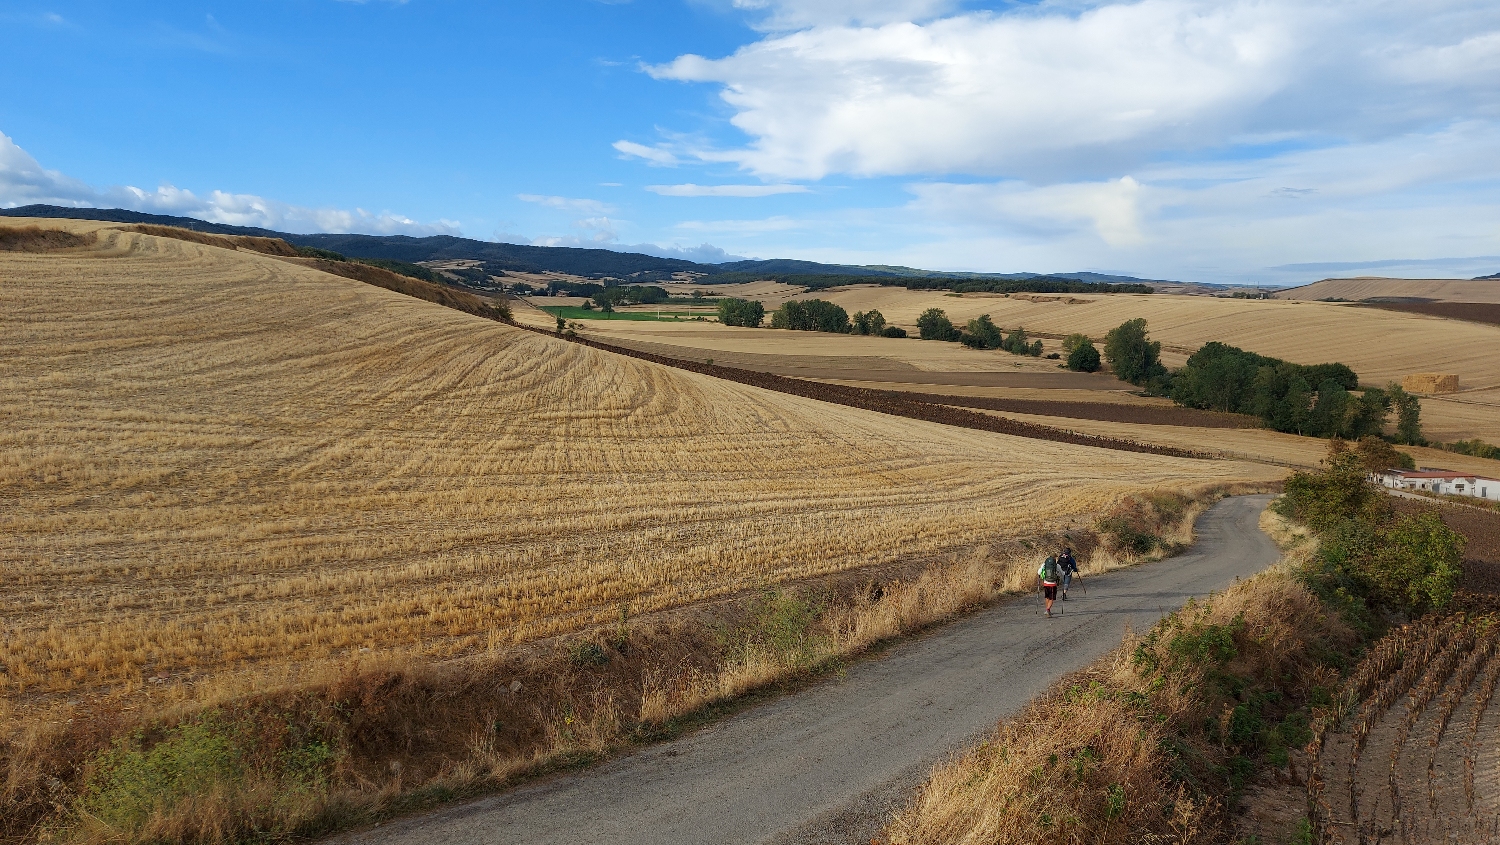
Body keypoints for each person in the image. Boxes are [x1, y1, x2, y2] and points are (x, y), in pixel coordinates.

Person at [1037, 553, 1062, 617]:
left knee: (1047, 597)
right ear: (1055, 558)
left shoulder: (1044, 564)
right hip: (1053, 584)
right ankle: (1048, 610)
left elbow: (1039, 572)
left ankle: (1048, 610)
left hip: (1046, 583)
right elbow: (1061, 573)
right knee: (1052, 598)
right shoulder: (1057, 565)